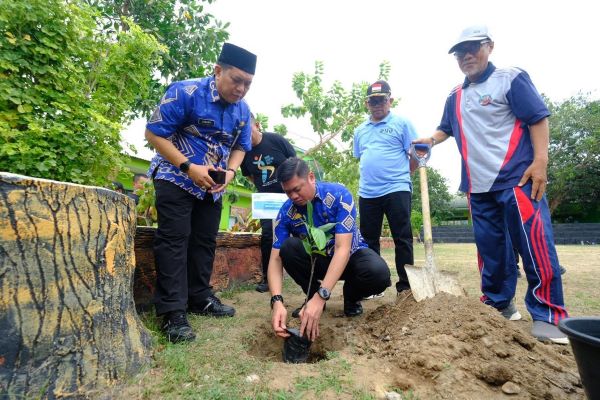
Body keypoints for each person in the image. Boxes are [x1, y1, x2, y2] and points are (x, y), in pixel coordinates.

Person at [415, 25, 569, 344]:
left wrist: (541, 162)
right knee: (491, 252)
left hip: (518, 180)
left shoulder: (510, 79)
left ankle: (549, 315)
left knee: (534, 245)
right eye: (460, 52)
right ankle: (499, 303)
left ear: (490, 47)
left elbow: (538, 118)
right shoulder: (454, 96)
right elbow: (447, 128)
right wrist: (431, 140)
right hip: (478, 188)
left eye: (473, 48)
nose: (466, 55)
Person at [144, 43, 257, 343]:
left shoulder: (243, 111)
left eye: (248, 83)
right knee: (174, 241)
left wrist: (231, 172)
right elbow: (153, 133)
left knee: (204, 243)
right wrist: (187, 167)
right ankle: (172, 312)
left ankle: (199, 298)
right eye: (236, 80)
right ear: (218, 70)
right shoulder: (185, 92)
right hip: (175, 177)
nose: (242, 88)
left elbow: (241, 147)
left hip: (212, 188)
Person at [268, 157, 391, 341]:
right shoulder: (286, 212)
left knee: (378, 274)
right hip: (318, 261)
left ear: (311, 177)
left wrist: (323, 296)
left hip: (350, 257)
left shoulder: (339, 196)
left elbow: (343, 248)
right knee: (288, 248)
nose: (293, 196)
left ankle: (351, 297)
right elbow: (275, 259)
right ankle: (312, 297)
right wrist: (276, 301)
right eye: (287, 192)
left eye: (297, 189)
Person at [353, 80, 418, 296]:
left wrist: (402, 175)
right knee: (368, 239)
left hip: (397, 189)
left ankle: (405, 286)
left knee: (402, 238)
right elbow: (362, 157)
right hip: (368, 192)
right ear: (367, 103)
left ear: (390, 100)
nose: (378, 104)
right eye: (373, 101)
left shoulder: (402, 124)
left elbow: (417, 155)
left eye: (382, 100)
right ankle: (374, 286)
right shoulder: (360, 130)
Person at [240, 115, 296, 293]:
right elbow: (249, 175)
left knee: (297, 234)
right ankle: (268, 278)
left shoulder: (276, 140)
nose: (244, 134)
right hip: (266, 201)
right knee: (267, 238)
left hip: (288, 197)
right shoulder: (243, 152)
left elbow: (295, 163)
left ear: (257, 125)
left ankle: (303, 272)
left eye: (247, 129)